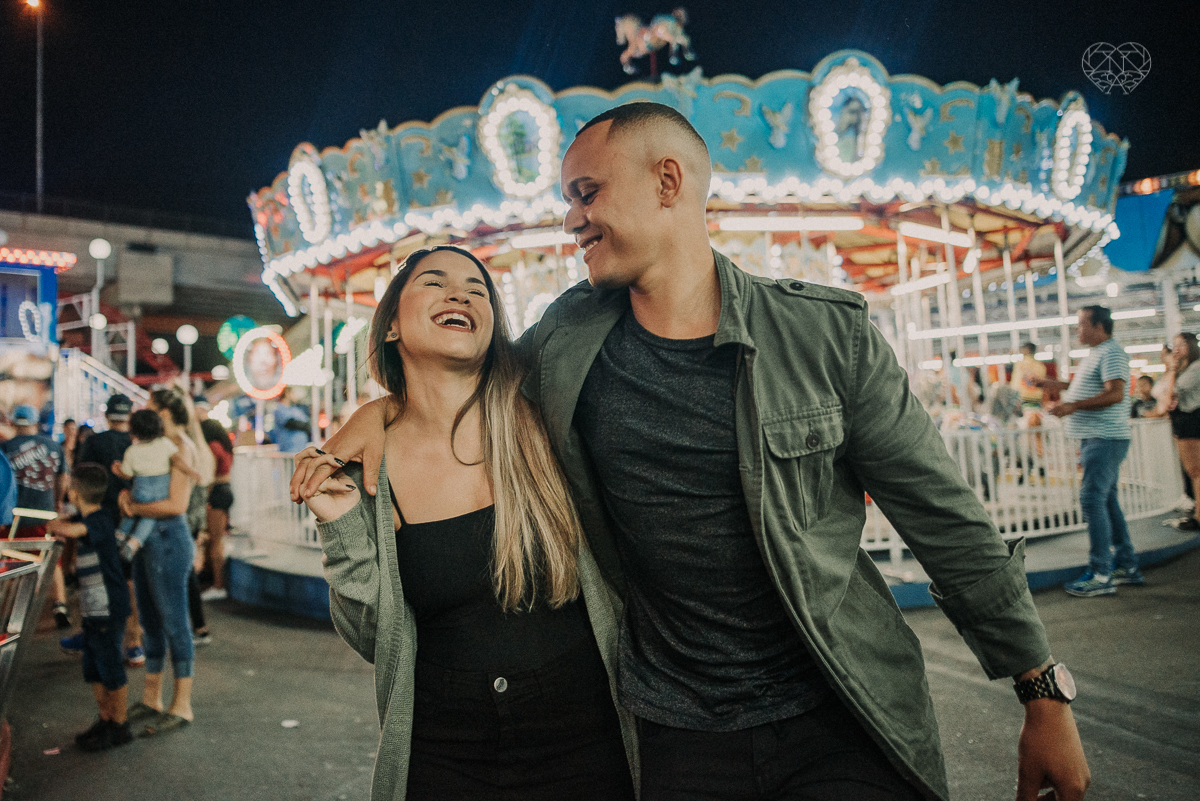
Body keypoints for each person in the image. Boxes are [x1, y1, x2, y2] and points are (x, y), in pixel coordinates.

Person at [297, 103, 1089, 801]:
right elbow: (460, 384)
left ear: (668, 182)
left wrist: (1042, 691)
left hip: (838, 710)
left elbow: (944, 517)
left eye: (586, 193)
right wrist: (381, 413)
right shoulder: (566, 343)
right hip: (679, 730)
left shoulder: (824, 339)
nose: (571, 220)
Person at [299, 246, 636, 801]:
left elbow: (597, 303)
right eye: (434, 283)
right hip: (446, 748)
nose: (459, 294)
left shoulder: (540, 408)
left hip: (583, 737)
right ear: (389, 327)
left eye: (477, 290)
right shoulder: (368, 471)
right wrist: (340, 527)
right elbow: (373, 636)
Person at [1037, 305, 1141, 597]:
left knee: (1092, 499)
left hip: (1103, 438)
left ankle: (1100, 573)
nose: (1077, 329)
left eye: (1082, 324)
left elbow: (1115, 393)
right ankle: (1126, 565)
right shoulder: (1098, 355)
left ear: (1099, 326)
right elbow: (1090, 387)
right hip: (1097, 438)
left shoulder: (1111, 352)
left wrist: (1072, 406)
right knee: (1106, 500)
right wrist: (1056, 385)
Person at [120, 388, 205, 736]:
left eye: (151, 408)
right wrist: (129, 494)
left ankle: (182, 704)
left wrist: (134, 508)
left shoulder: (180, 447)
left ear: (166, 413)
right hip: (149, 544)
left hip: (170, 542)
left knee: (174, 621)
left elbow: (176, 505)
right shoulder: (149, 448)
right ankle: (152, 697)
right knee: (151, 622)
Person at [46, 463, 133, 751]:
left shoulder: (100, 519)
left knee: (110, 667)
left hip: (109, 607)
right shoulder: (87, 517)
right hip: (94, 609)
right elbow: (76, 527)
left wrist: (54, 524)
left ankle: (120, 726)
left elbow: (75, 529)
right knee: (93, 666)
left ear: (75, 492)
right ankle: (105, 718)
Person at [71, 394, 144, 668]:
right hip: (131, 520)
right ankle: (134, 641)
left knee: (94, 578)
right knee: (129, 580)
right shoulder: (137, 444)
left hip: (98, 519)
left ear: (107, 415)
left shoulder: (94, 442)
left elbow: (82, 476)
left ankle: (93, 633)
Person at [2, 403, 69, 626]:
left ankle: (11, 612)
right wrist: (58, 501)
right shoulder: (54, 446)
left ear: (13, 422)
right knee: (53, 560)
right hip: (45, 514)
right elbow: (63, 478)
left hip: (14, 517)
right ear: (35, 423)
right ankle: (60, 604)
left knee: (13, 562)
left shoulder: (5, 448)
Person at [113, 409, 198, 560]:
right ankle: (134, 543)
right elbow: (177, 460)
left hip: (141, 488)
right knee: (149, 516)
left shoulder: (132, 451)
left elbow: (127, 473)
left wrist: (118, 470)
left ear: (133, 431)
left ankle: (120, 534)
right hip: (159, 489)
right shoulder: (165, 444)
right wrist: (191, 472)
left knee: (133, 510)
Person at [1166, 332, 1200, 532]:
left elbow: (1170, 392)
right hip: (1186, 422)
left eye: (1181, 344)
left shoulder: (1195, 368)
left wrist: (1171, 367)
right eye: (1174, 344)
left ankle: (1198, 516)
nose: (1176, 348)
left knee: (1196, 472)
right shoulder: (1186, 369)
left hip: (1192, 421)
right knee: (1194, 472)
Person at [199, 418, 234, 600]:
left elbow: (210, 475)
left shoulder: (212, 446)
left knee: (215, 541)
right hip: (226, 489)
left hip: (216, 492)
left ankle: (218, 585)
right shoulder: (225, 445)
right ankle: (212, 578)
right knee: (215, 539)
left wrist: (204, 496)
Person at [271, 388, 311, 453]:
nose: (296, 396)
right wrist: (303, 426)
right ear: (287, 393)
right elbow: (290, 423)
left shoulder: (296, 410)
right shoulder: (280, 409)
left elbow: (307, 424)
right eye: (293, 393)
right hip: (289, 449)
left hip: (301, 448)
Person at [1010, 342, 1046, 411]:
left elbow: (1016, 383)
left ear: (1026, 350)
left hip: (1021, 398)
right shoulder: (1041, 366)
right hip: (1036, 398)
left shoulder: (1019, 363)